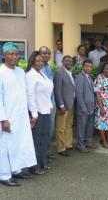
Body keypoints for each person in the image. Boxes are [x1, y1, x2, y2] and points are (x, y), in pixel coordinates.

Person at [0, 42, 36, 187]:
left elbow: (25, 95)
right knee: (5, 146)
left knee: (19, 144)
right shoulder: (1, 73)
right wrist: (3, 119)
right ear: (4, 56)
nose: (14, 56)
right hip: (7, 117)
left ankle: (16, 170)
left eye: (16, 54)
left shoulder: (20, 72)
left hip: (20, 116)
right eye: (10, 54)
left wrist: (30, 114)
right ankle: (4, 174)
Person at [25, 51, 53, 174]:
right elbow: (30, 96)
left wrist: (50, 105)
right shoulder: (30, 75)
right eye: (37, 60)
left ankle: (43, 162)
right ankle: (35, 167)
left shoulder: (42, 73)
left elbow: (47, 92)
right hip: (36, 113)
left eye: (41, 60)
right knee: (36, 140)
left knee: (45, 138)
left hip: (45, 111)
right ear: (32, 61)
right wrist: (34, 114)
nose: (40, 62)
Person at [54, 56, 76, 157]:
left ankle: (68, 144)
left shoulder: (71, 73)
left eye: (70, 61)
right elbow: (57, 91)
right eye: (67, 61)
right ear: (62, 62)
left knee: (68, 126)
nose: (69, 62)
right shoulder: (59, 72)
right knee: (60, 127)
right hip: (63, 106)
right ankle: (61, 148)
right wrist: (61, 105)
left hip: (71, 104)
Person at [74, 59, 96, 153]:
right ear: (83, 67)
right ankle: (80, 145)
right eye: (87, 66)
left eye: (90, 66)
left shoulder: (89, 77)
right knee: (81, 127)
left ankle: (88, 143)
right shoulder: (79, 77)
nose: (89, 68)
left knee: (89, 126)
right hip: (83, 108)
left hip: (91, 107)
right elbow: (79, 94)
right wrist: (83, 107)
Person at [39, 46, 56, 160]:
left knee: (50, 129)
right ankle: (41, 154)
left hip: (51, 103)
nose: (46, 55)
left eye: (48, 53)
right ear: (39, 54)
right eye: (44, 53)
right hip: (42, 105)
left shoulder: (49, 67)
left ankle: (46, 151)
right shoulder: (36, 69)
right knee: (42, 131)